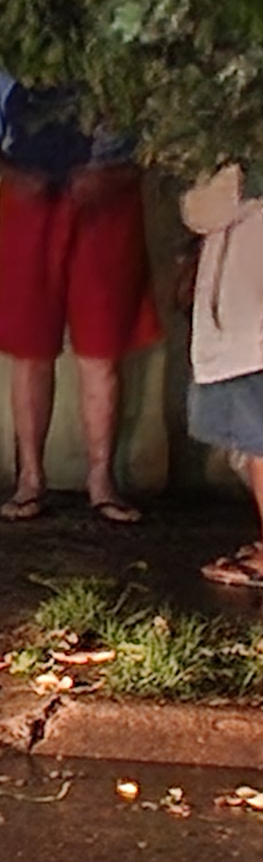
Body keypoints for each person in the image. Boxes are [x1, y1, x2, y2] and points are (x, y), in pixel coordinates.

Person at [0, 70, 155, 521]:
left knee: (102, 349)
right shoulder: (7, 65)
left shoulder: (120, 54)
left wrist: (113, 177)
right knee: (30, 348)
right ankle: (30, 478)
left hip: (107, 205)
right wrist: (13, 174)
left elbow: (156, 144)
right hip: (31, 203)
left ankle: (102, 481)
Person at [186, 168, 263, 587]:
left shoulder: (244, 160)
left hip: (251, 323)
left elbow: (203, 209)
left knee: (260, 441)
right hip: (243, 319)